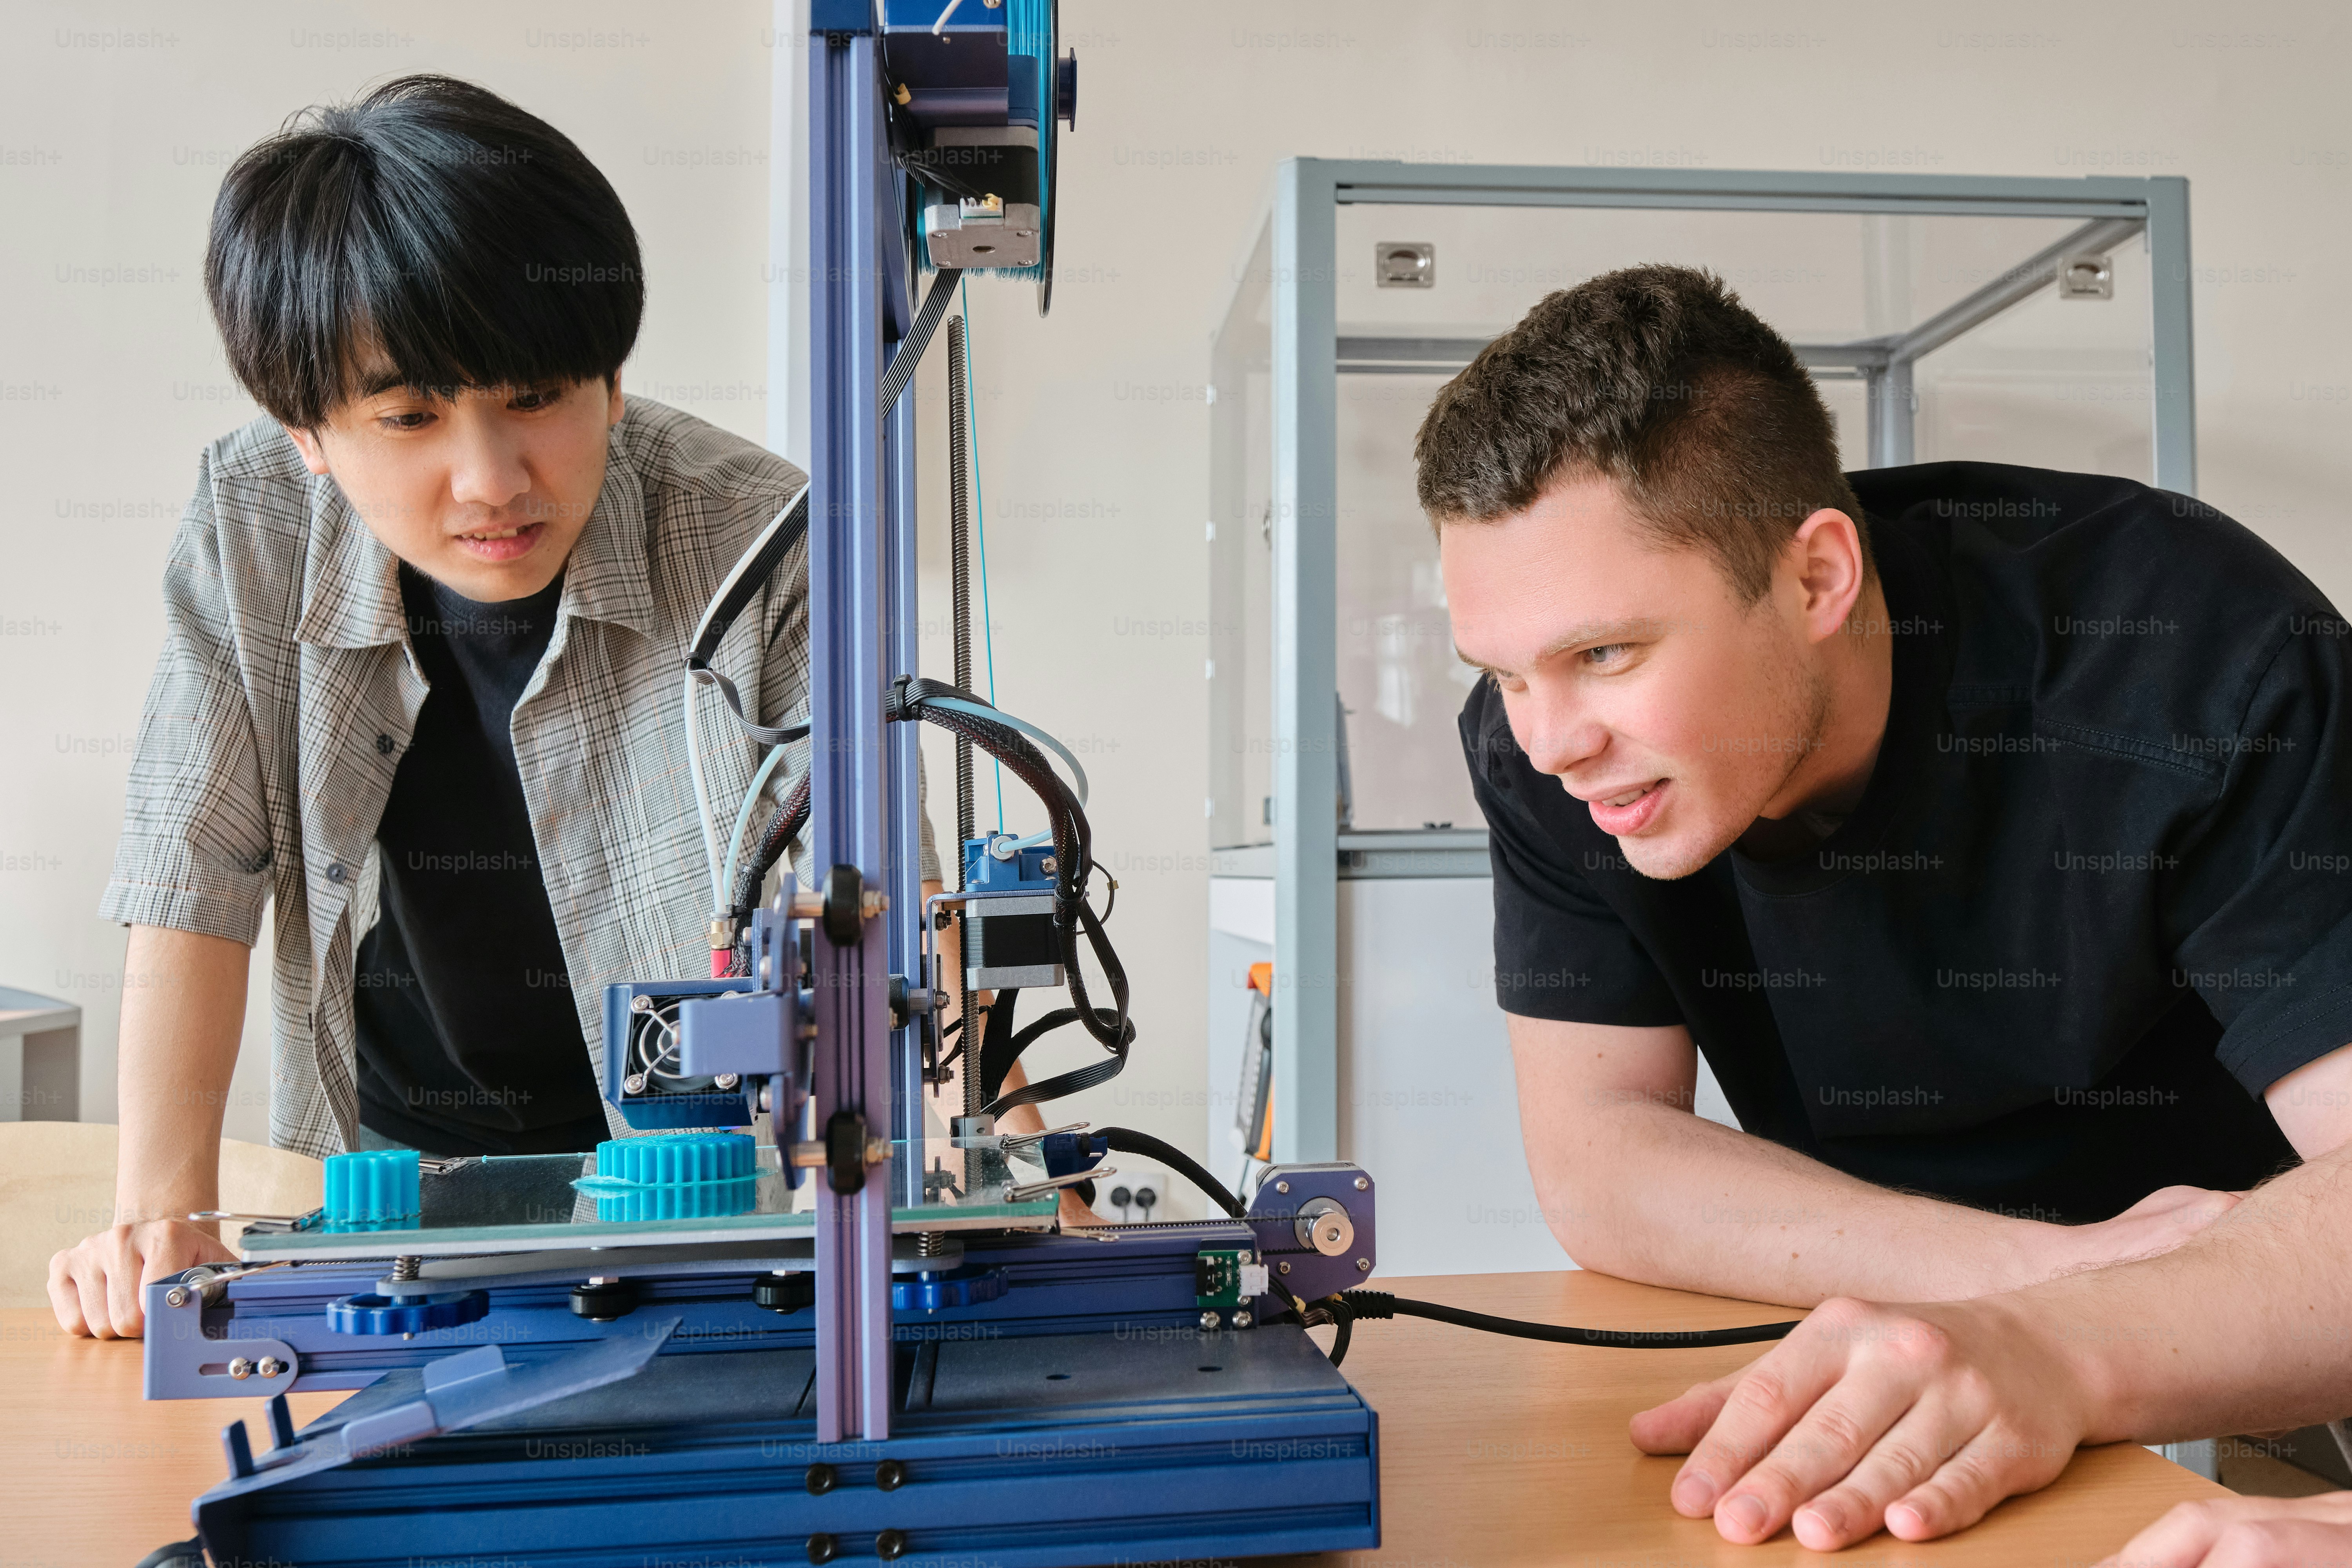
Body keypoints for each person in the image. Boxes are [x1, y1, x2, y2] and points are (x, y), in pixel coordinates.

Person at [49, 75, 1045, 1341]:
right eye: (408, 416)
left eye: (535, 398)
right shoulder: (253, 520)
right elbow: (194, 861)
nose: (490, 481)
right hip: (396, 1167)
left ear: (612, 377)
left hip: (702, 1186)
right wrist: (157, 1224)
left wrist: (1007, 1162)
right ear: (305, 431)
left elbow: (875, 908)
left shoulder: (762, 536)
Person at [1416, 263, 2352, 1546]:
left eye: (1606, 653)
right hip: (1936, 1316)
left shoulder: (2195, 655)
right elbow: (1600, 1159)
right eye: (1503, 671)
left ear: (1816, 580)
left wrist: (2057, 1337)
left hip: (2260, 1296)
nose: (1550, 739)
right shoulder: (1547, 746)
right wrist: (2032, 1283)